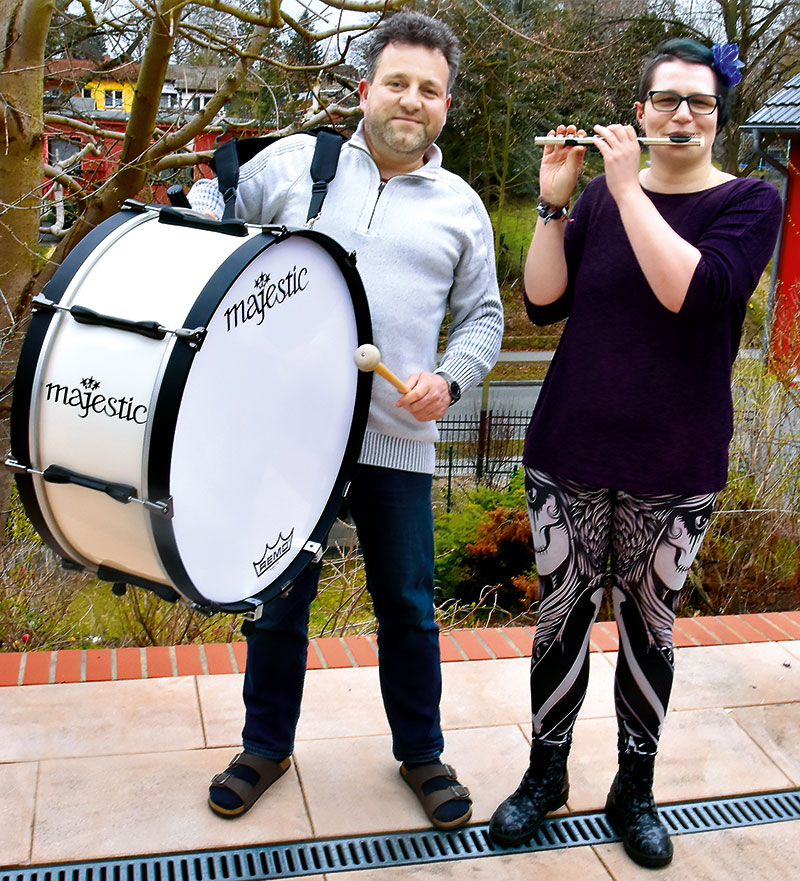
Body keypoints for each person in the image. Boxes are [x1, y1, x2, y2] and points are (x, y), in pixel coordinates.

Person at [188, 12, 503, 830]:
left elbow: (484, 319)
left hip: (398, 437)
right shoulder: (299, 164)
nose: (412, 99)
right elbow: (205, 213)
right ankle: (264, 745)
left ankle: (422, 752)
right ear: (365, 89)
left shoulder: (461, 208)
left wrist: (452, 376)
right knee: (278, 598)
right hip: (287, 435)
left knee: (407, 602)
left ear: (446, 106)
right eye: (397, 82)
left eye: (430, 89)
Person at [488, 38, 782, 868]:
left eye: (698, 103)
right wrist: (555, 204)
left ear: (718, 116)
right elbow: (544, 303)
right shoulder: (602, 202)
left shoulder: (750, 203)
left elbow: (693, 291)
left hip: (675, 458)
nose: (680, 115)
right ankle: (545, 775)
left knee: (650, 630)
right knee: (559, 624)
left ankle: (633, 787)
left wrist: (623, 188)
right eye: (665, 101)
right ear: (642, 109)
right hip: (569, 444)